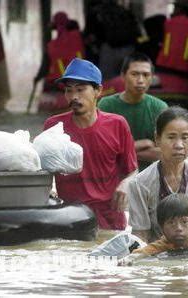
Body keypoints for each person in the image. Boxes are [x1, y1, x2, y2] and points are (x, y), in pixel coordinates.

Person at [43, 58, 138, 230]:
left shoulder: (117, 124)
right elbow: (42, 170)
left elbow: (132, 171)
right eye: (69, 91)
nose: (74, 97)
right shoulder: (53, 127)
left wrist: (126, 184)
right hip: (69, 219)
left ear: (98, 91)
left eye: (80, 90)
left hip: (110, 221)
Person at [128, 106, 188, 251]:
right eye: (171, 137)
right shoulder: (140, 183)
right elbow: (140, 236)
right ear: (157, 139)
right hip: (158, 259)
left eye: (185, 137)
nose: (179, 145)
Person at [98, 52, 168, 171]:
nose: (140, 80)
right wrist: (145, 144)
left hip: (149, 175)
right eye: (134, 74)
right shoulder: (106, 105)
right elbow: (102, 150)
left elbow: (166, 153)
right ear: (123, 76)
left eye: (146, 75)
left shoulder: (160, 107)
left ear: (152, 78)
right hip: (114, 175)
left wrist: (124, 153)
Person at [34, 12, 85, 92]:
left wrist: (37, 78)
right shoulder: (79, 37)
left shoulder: (51, 46)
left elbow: (45, 66)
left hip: (57, 84)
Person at [156, 3, 188, 75]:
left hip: (164, 64)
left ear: (180, 10)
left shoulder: (168, 23)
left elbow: (160, 41)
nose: (172, 11)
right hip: (186, 68)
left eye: (174, 9)